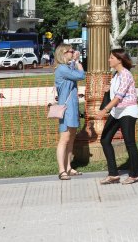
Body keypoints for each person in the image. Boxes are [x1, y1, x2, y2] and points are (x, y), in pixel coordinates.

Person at [98, 49, 138, 185]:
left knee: (129, 142)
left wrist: (104, 110)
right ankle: (113, 174)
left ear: (119, 60)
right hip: (116, 111)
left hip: (127, 111)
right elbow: (114, 94)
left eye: (111, 58)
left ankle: (134, 175)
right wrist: (108, 89)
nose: (109, 60)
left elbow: (118, 97)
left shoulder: (126, 75)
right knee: (105, 140)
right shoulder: (115, 75)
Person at [54, 44, 86, 180]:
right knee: (64, 139)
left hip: (72, 107)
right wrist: (78, 62)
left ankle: (68, 167)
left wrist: (74, 61)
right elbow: (81, 75)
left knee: (71, 138)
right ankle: (62, 170)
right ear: (63, 54)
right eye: (70, 51)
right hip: (67, 109)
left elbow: (73, 70)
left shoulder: (66, 68)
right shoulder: (62, 69)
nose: (73, 53)